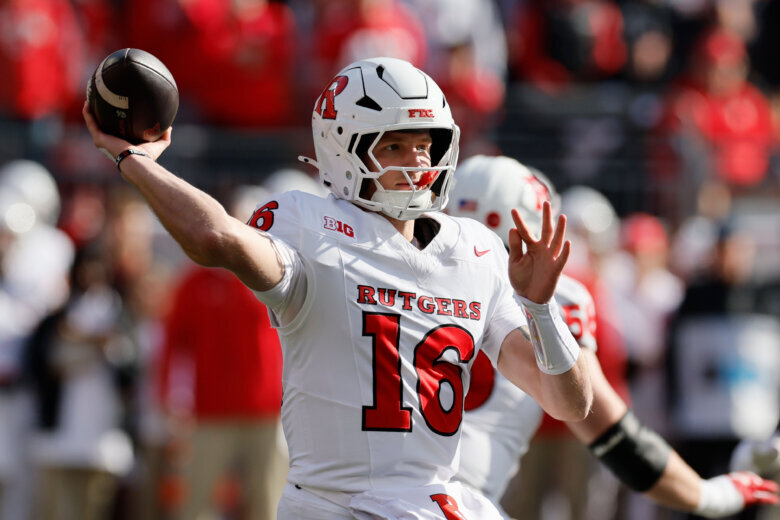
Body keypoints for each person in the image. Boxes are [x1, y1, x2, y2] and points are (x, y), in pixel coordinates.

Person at [83, 56, 593, 518]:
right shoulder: (312, 228)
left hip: (433, 499)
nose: (417, 162)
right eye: (394, 146)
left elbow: (571, 403)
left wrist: (539, 308)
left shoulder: (475, 251)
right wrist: (138, 163)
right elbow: (216, 237)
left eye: (425, 144)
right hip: (338, 506)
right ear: (342, 148)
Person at [447, 154, 779, 519]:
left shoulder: (391, 275)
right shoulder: (560, 297)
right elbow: (609, 431)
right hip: (462, 503)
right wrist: (710, 495)